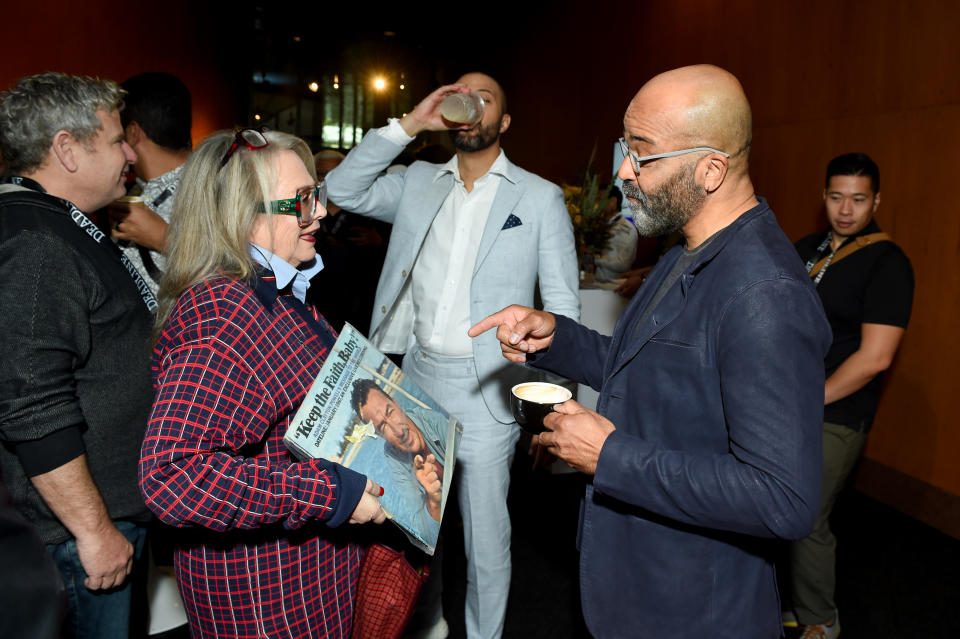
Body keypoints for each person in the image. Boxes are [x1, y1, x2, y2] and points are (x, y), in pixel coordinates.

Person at [469, 64, 832, 639]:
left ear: (710, 169)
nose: (621, 171)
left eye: (642, 153)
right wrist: (558, 336)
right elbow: (651, 370)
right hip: (636, 588)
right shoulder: (686, 247)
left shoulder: (765, 295)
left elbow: (782, 499)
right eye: (624, 146)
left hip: (693, 611)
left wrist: (609, 456)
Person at [326, 72, 579, 639]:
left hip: (488, 386)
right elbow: (343, 189)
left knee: (486, 539)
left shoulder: (538, 197)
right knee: (418, 526)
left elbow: (564, 307)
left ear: (504, 122)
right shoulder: (418, 180)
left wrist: (551, 409)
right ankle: (429, 622)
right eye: (461, 93)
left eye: (486, 96)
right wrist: (413, 122)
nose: (471, 104)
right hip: (411, 379)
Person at [138, 128, 386, 638]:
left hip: (308, 579)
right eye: (302, 201)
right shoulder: (225, 312)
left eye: (317, 196)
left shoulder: (278, 289)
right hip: (265, 602)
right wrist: (328, 492)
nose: (319, 213)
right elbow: (171, 476)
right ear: (243, 214)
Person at [0, 72, 156, 639]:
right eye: (117, 139)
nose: (131, 151)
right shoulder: (37, 244)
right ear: (66, 148)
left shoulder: (62, 226)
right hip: (75, 535)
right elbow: (31, 403)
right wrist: (92, 532)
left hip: (100, 517)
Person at [786, 153, 914, 638]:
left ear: (876, 200)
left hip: (837, 411)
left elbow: (876, 358)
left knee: (807, 513)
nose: (846, 209)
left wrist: (808, 399)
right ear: (824, 198)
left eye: (859, 199)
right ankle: (779, 601)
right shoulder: (804, 249)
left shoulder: (887, 263)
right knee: (766, 504)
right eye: (837, 197)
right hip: (787, 403)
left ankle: (821, 621)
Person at [109, 72, 192, 295]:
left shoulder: (211, 187)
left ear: (133, 132)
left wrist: (165, 238)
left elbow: (242, 269)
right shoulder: (133, 189)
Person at [351, 378, 448, 539]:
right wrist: (433, 500)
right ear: (378, 435)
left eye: (390, 411)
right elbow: (422, 531)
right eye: (383, 426)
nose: (399, 430)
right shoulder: (393, 457)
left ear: (396, 403)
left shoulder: (432, 420)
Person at [307, 148, 390, 335]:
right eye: (321, 174)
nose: (326, 180)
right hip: (316, 305)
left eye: (333, 174)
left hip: (360, 309)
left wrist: (379, 242)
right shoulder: (305, 212)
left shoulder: (371, 211)